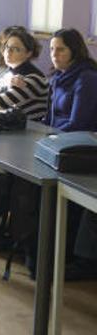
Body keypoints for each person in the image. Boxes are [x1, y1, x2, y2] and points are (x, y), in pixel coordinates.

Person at [46, 28, 97, 280]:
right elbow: (50, 118)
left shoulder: (86, 78)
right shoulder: (58, 77)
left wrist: (48, 135)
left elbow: (79, 123)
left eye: (61, 49)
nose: (54, 54)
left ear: (74, 51)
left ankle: (80, 258)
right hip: (58, 144)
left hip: (81, 149)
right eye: (52, 49)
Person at [0, 26, 48, 121]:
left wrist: (1, 90)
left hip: (30, 131)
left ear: (28, 53)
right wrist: (6, 86)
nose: (8, 52)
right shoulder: (9, 75)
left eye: (16, 49)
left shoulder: (33, 79)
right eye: (7, 47)